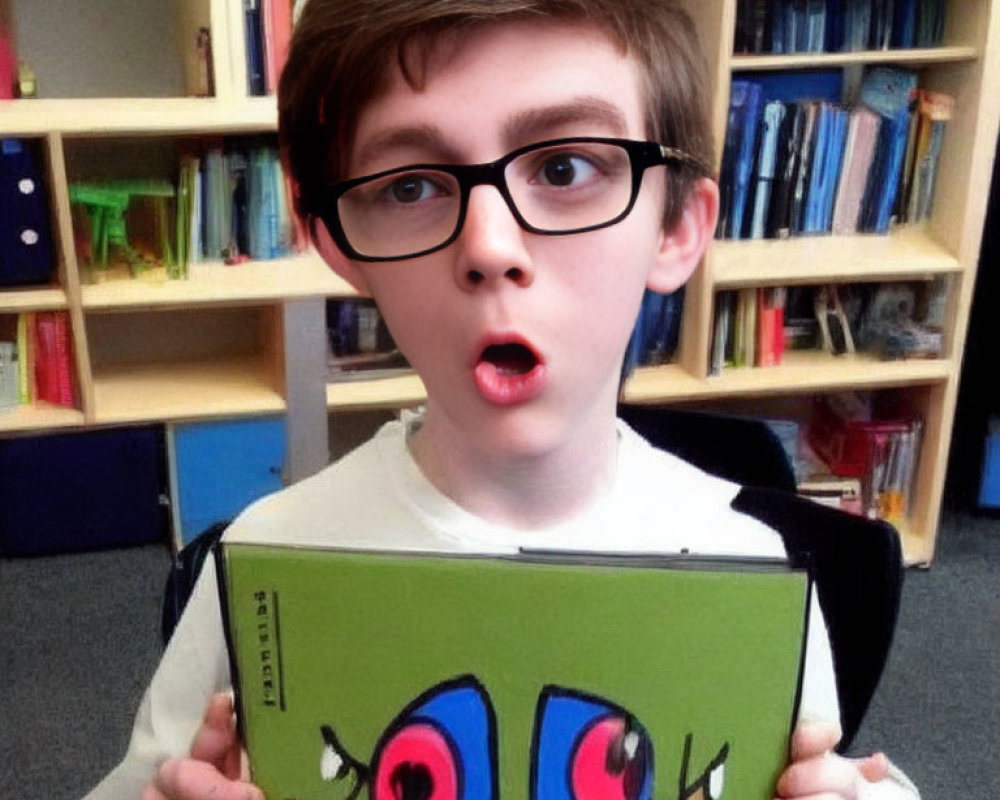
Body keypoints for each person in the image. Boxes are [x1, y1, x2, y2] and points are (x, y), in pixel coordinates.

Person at [85, 2, 919, 799]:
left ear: (674, 230)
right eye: (411, 186)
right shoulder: (262, 560)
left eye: (564, 168)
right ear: (343, 245)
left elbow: (832, 772)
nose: (488, 246)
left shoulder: (753, 572)